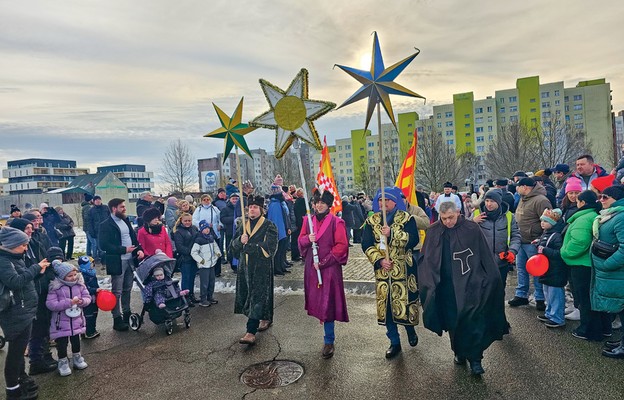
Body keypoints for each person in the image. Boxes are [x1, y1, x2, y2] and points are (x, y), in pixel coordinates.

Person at [419, 202, 509, 375]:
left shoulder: (472, 229)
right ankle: (458, 352)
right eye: (444, 218)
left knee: (472, 320)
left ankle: (476, 359)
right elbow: (426, 258)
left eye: (451, 217)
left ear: (458, 213)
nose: (447, 222)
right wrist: (428, 282)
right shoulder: (433, 231)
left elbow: (484, 255)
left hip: (470, 284)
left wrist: (491, 278)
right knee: (454, 321)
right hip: (446, 287)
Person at [362, 187, 420, 359]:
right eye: (380, 200)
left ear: (395, 201)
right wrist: (380, 261)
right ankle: (394, 342)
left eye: (386, 200)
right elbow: (366, 244)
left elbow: (414, 239)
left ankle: (410, 329)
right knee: (387, 309)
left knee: (404, 304)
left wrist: (392, 233)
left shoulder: (407, 218)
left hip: (403, 271)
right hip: (383, 272)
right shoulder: (372, 221)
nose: (383, 203)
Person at [298, 189, 349, 359]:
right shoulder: (308, 221)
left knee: (328, 304)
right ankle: (327, 338)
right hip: (312, 268)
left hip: (329, 269)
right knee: (318, 302)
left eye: (322, 203)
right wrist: (308, 239)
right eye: (316, 202)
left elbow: (341, 246)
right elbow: (300, 240)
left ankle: (329, 340)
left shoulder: (337, 222)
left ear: (328, 205)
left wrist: (325, 262)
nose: (319, 205)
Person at [0, 226, 49, 400]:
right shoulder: (4, 261)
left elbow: (24, 280)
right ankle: (12, 391)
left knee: (19, 352)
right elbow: (15, 281)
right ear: (11, 245)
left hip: (23, 310)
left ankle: (20, 381)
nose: (26, 248)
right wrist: (35, 268)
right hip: (15, 313)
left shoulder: (13, 257)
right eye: (22, 245)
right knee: (15, 354)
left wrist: (37, 273)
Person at [230, 195, 279, 346]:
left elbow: (270, 248)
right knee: (251, 296)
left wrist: (250, 247)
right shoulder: (242, 226)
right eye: (250, 207)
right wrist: (240, 241)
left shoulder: (269, 226)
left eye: (255, 207)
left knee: (257, 297)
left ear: (261, 210)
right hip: (245, 268)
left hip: (261, 268)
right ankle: (266, 317)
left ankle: (250, 331)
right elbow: (232, 248)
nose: (252, 209)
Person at [560, 190, 607, 341]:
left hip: (580, 264)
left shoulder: (583, 219)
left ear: (583, 203)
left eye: (578, 200)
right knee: (590, 297)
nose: (576, 202)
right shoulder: (591, 215)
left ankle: (587, 330)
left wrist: (565, 253)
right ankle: (602, 329)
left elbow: (580, 242)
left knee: (584, 298)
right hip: (587, 263)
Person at [98, 198, 144, 331]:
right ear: (114, 208)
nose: (124, 209)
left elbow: (133, 237)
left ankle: (127, 313)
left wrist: (139, 249)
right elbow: (104, 245)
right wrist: (123, 250)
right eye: (122, 207)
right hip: (118, 261)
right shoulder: (105, 224)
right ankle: (116, 318)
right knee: (117, 291)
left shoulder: (125, 220)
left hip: (130, 260)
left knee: (127, 289)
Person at [590, 185, 624, 358]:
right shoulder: (612, 215)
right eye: (600, 197)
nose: (600, 200)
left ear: (616, 199)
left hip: (617, 273)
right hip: (613, 274)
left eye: (605, 197)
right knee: (620, 308)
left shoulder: (621, 217)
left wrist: (607, 264)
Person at [508, 177, 551, 311]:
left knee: (537, 271)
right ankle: (521, 294)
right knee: (521, 269)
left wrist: (541, 240)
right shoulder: (523, 198)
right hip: (521, 241)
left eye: (518, 186)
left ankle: (540, 298)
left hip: (533, 242)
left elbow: (548, 222)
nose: (516, 188)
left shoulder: (541, 200)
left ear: (525, 187)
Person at [45, 261, 91, 376]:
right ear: (62, 277)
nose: (73, 278)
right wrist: (69, 303)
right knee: (62, 343)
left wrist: (82, 301)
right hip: (61, 322)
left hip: (76, 320)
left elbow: (88, 297)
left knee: (76, 340)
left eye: (75, 275)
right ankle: (63, 361)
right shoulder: (56, 287)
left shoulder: (80, 285)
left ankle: (77, 357)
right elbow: (51, 304)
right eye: (70, 276)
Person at [472, 189, 521, 288]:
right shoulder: (476, 214)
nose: (489, 204)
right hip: (481, 262)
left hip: (501, 261)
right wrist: (472, 222)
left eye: (492, 201)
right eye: (487, 201)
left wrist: (512, 251)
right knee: (483, 292)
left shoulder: (509, 216)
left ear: (499, 202)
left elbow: (515, 236)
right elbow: (463, 232)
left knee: (499, 290)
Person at [533, 209, 567, 328]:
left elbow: (559, 254)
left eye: (545, 221)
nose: (542, 223)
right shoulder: (546, 233)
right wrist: (538, 243)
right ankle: (549, 313)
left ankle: (557, 318)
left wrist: (544, 250)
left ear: (552, 223)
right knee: (547, 293)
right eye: (541, 220)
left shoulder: (556, 236)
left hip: (555, 270)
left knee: (555, 294)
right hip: (547, 270)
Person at [190, 220, 221, 307]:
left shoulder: (211, 238)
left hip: (211, 263)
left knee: (212, 281)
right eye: (205, 228)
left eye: (208, 228)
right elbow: (194, 252)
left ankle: (210, 297)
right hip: (204, 265)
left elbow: (215, 246)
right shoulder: (199, 240)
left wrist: (217, 253)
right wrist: (200, 260)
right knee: (204, 283)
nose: (207, 230)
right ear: (201, 229)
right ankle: (203, 299)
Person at [173, 213, 199, 305]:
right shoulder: (178, 232)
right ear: (181, 221)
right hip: (185, 258)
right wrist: (191, 252)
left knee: (192, 277)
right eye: (185, 221)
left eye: (189, 220)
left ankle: (191, 294)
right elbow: (179, 247)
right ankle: (185, 297)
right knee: (186, 278)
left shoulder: (194, 228)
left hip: (194, 258)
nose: (188, 222)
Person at [267, 184, 291, 276]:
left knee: (281, 250)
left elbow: (285, 217)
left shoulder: (279, 203)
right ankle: (277, 268)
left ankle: (281, 266)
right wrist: (280, 232)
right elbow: (277, 220)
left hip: (283, 230)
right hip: (279, 231)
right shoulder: (275, 204)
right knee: (277, 251)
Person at [77, 256, 101, 339]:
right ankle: (88, 331)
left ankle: (92, 329)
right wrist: (95, 290)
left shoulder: (91, 273)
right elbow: (85, 288)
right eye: (91, 264)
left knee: (94, 313)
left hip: (94, 298)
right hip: (87, 299)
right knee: (89, 315)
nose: (93, 266)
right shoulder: (82, 276)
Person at [87, 196, 109, 263]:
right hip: (97, 231)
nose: (98, 201)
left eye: (99, 199)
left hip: (106, 230)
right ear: (94, 201)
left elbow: (110, 217)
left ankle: (107, 259)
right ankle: (101, 260)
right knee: (99, 246)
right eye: (96, 200)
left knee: (107, 245)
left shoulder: (106, 208)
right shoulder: (91, 210)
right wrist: (91, 231)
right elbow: (89, 222)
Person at [81, 194, 94, 258]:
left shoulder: (85, 207)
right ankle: (94, 256)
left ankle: (88, 254)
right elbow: (87, 217)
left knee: (89, 242)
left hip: (86, 227)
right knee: (93, 243)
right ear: (90, 200)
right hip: (88, 227)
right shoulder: (87, 207)